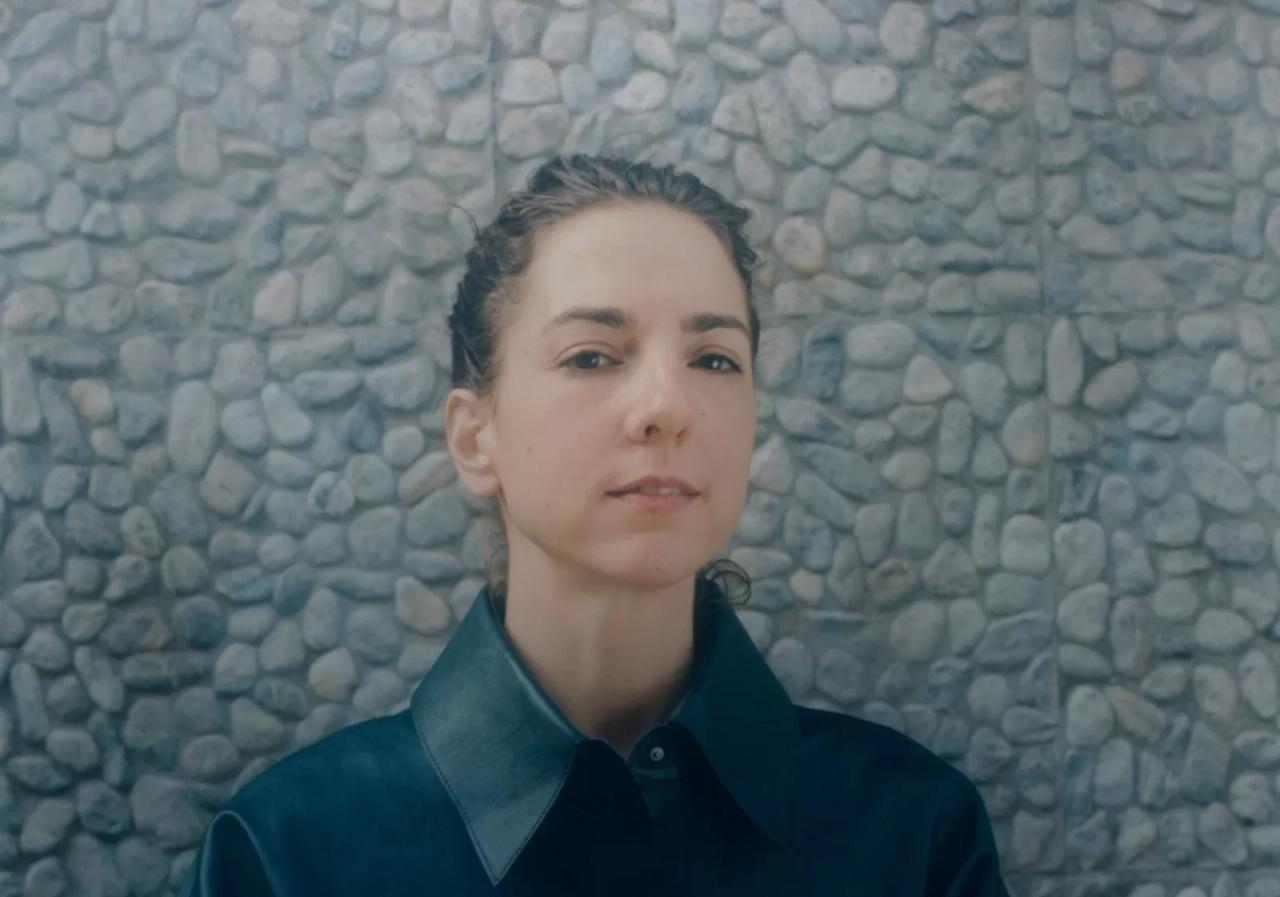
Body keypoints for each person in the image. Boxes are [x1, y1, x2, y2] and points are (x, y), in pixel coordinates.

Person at [176, 154, 1010, 896]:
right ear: (474, 437)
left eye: (714, 358)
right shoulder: (288, 855)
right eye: (592, 355)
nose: (667, 405)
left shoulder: (911, 835)